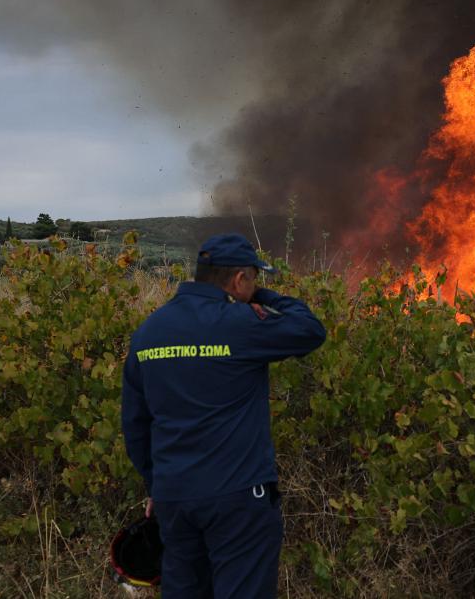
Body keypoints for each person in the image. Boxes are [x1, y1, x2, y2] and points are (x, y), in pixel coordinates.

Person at [121, 233, 327, 598]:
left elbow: (136, 425)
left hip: (174, 499)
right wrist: (262, 297)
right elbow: (310, 330)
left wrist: (156, 486)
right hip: (237, 498)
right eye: (254, 279)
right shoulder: (240, 323)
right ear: (240, 279)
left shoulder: (148, 333)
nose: (255, 285)